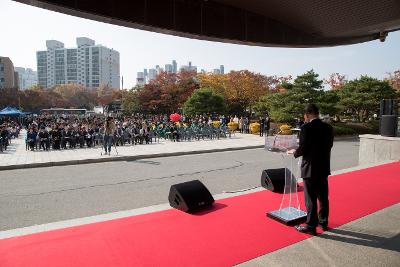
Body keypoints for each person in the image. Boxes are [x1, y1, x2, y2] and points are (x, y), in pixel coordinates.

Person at [288, 104, 334, 235]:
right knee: (323, 197)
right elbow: (329, 145)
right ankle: (323, 222)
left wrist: (294, 152)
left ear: (307, 114)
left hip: (310, 167)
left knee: (310, 198)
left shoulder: (306, 128)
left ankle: (311, 225)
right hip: (324, 166)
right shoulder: (328, 127)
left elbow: (303, 148)